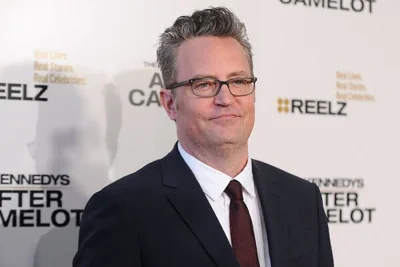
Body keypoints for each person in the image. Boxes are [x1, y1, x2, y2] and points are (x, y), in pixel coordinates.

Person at [73, 6, 334, 267]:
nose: (226, 99)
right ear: (170, 103)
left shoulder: (302, 199)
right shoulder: (124, 210)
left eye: (239, 81)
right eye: (204, 84)